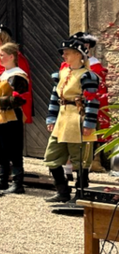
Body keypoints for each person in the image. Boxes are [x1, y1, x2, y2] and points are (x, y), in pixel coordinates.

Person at [44, 36, 100, 202]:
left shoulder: (87, 76)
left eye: (67, 52)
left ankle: (80, 194)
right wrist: (51, 118)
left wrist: (89, 124)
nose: (64, 55)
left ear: (78, 54)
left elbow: (92, 101)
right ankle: (62, 191)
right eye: (63, 53)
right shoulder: (62, 73)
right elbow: (55, 97)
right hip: (62, 120)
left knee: (80, 160)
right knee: (51, 156)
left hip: (78, 120)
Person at [0, 24, 33, 173]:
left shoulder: (17, 64)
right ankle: (0, 173)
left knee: (12, 144)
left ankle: (15, 177)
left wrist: (3, 101)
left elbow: (22, 93)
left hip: (10, 109)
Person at [0, 43, 29, 194]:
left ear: (11, 56)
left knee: (14, 149)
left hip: (11, 116)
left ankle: (17, 183)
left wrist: (2, 101)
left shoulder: (17, 75)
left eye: (2, 55)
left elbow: (21, 98)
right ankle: (2, 179)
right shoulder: (1, 75)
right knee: (0, 148)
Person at [71, 32, 110, 173]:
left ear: (87, 46)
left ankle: (95, 161)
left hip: (91, 104)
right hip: (73, 105)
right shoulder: (71, 65)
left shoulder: (95, 67)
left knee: (93, 130)